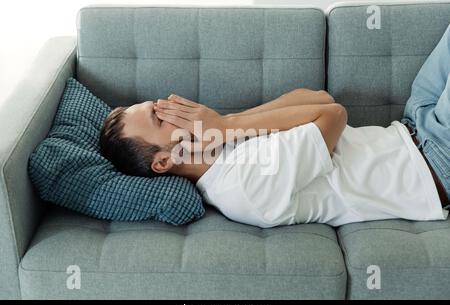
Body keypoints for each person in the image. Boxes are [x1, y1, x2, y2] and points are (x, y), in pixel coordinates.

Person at [100, 26, 450, 228]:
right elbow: (334, 114)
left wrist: (227, 125)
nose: (171, 107)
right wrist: (226, 124)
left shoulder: (224, 144)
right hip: (435, 163)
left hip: (412, 124)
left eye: (159, 103)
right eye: (159, 117)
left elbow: (316, 96)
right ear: (162, 161)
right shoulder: (242, 184)